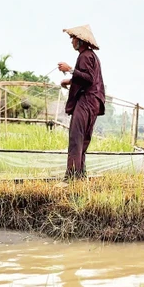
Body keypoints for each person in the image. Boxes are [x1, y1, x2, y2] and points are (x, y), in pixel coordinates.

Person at [57, 24, 105, 179]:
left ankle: (71, 177)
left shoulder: (85, 56)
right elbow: (87, 78)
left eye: (73, 38)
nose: (71, 42)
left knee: (76, 138)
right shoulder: (92, 56)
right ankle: (80, 176)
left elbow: (89, 78)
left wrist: (70, 69)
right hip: (94, 101)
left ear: (81, 41)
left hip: (86, 101)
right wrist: (70, 81)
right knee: (83, 140)